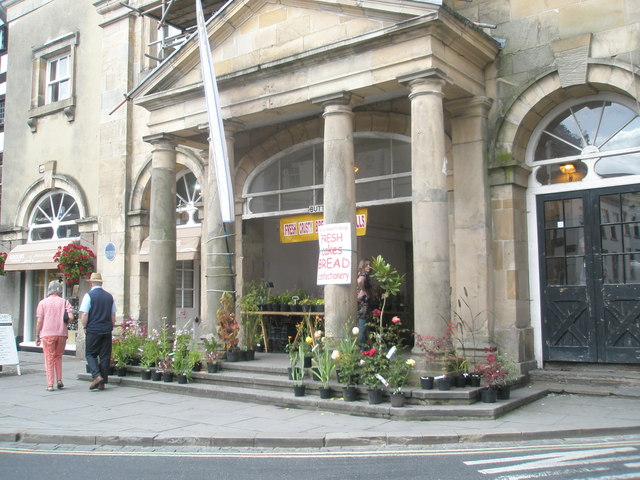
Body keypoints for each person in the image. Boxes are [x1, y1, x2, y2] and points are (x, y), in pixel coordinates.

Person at [79, 272, 116, 391]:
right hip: (106, 329)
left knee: (90, 354)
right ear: (101, 283)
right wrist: (111, 325)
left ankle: (97, 376)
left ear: (91, 284)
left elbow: (85, 314)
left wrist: (84, 327)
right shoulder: (109, 296)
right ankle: (102, 382)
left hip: (93, 329)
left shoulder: (89, 295)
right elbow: (113, 315)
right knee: (105, 356)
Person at [35, 281, 73, 391]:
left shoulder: (42, 303)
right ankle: (59, 380)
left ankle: (50, 384)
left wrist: (37, 335)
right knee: (58, 356)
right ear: (60, 291)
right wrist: (65, 322)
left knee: (49, 357)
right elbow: (70, 317)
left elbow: (39, 321)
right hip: (61, 333)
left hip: (47, 334)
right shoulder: (65, 302)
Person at [356, 258, 373, 349]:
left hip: (360, 303)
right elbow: (360, 281)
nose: (369, 267)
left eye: (370, 265)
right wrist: (364, 290)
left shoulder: (359, 274)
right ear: (362, 266)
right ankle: (361, 348)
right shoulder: (363, 274)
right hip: (364, 304)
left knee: (362, 326)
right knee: (362, 326)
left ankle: (364, 347)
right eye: (366, 265)